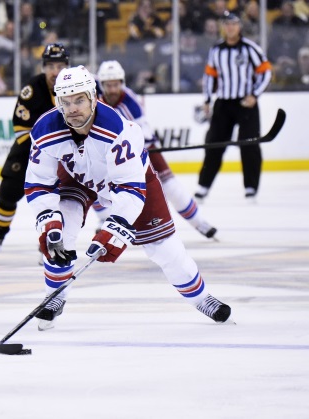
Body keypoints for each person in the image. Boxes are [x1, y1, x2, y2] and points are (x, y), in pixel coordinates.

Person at [24, 65, 232, 331]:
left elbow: (130, 189)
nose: (73, 108)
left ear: (93, 97)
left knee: (166, 250)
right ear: (57, 102)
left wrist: (114, 229)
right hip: (78, 177)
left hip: (132, 184)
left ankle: (203, 298)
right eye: (66, 102)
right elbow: (38, 183)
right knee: (59, 235)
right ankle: (55, 297)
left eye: (79, 100)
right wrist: (48, 221)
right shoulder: (44, 130)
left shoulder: (119, 129)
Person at [95, 60, 217, 239]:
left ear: (122, 83)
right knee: (95, 181)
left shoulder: (130, 103)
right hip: (111, 152)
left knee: (170, 186)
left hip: (143, 149)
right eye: (108, 85)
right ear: (102, 85)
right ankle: (104, 220)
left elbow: (141, 135)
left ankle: (200, 223)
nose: (112, 89)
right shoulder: (97, 99)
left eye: (116, 85)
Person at [0, 43, 69, 265]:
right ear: (43, 67)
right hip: (28, 152)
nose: (55, 72)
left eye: (60, 66)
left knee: (60, 200)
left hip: (63, 156)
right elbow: (20, 127)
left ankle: (49, 243)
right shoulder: (32, 89)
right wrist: (45, 147)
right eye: (51, 66)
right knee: (7, 193)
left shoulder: (74, 89)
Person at [195, 12, 272, 202]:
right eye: (227, 24)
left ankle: (251, 187)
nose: (230, 28)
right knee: (214, 145)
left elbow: (266, 72)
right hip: (223, 103)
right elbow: (209, 77)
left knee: (249, 145)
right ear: (223, 27)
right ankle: (203, 186)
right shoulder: (216, 50)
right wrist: (207, 100)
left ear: (239, 26)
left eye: (234, 24)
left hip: (245, 103)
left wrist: (255, 95)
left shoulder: (250, 48)